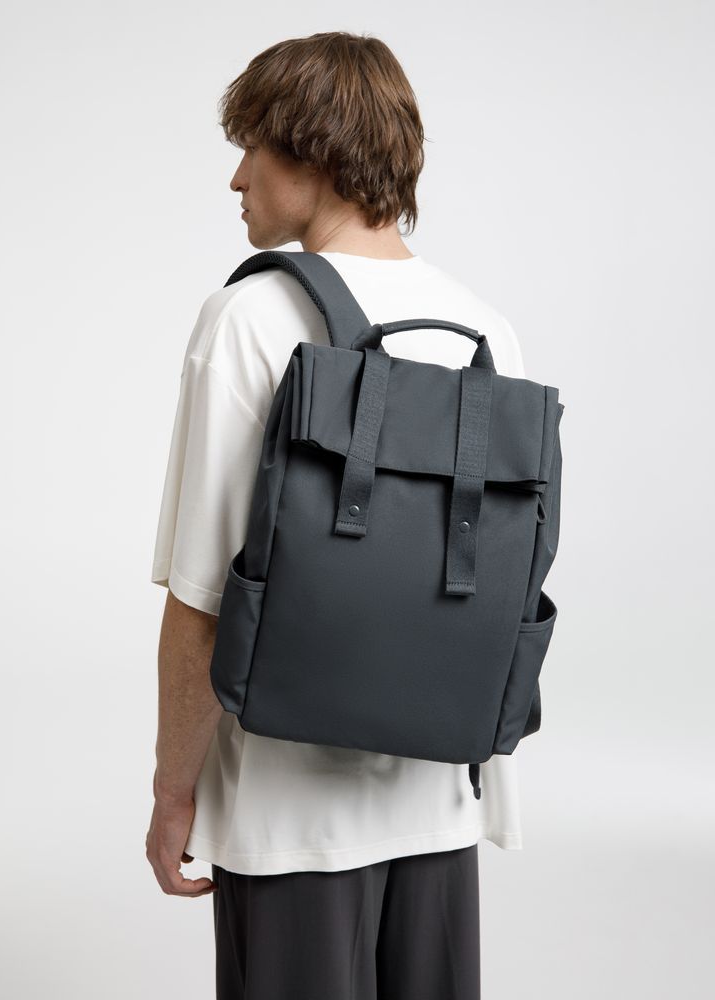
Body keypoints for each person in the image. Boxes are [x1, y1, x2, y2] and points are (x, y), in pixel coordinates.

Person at [146, 30, 529, 1000]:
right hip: (442, 805)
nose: (237, 177)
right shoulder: (487, 333)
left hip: (286, 823)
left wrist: (172, 789)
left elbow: (202, 605)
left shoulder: (247, 321)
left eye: (253, 148)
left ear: (313, 153)